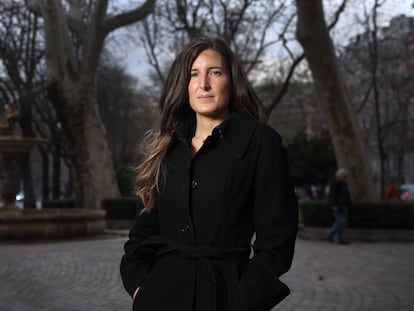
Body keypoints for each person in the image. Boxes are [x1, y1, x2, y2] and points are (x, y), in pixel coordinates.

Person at [120, 37, 298, 311]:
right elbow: (141, 234)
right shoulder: (166, 148)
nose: (204, 84)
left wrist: (243, 299)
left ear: (231, 80)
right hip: (160, 297)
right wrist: (140, 288)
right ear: (184, 84)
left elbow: (277, 240)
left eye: (214, 72)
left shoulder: (260, 142)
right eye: (194, 74)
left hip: (223, 297)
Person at [327, 168, 351, 244]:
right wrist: (333, 205)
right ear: (339, 175)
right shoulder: (335, 183)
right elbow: (332, 195)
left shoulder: (344, 183)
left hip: (344, 206)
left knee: (341, 223)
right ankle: (330, 234)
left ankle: (341, 239)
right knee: (341, 222)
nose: (345, 177)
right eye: (344, 176)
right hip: (337, 206)